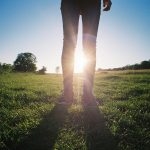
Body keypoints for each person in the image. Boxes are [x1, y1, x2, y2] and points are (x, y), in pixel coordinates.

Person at [59, 0, 112, 105]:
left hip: (92, 2)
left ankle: (88, 96)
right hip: (69, 2)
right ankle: (67, 95)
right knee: (69, 42)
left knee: (90, 44)